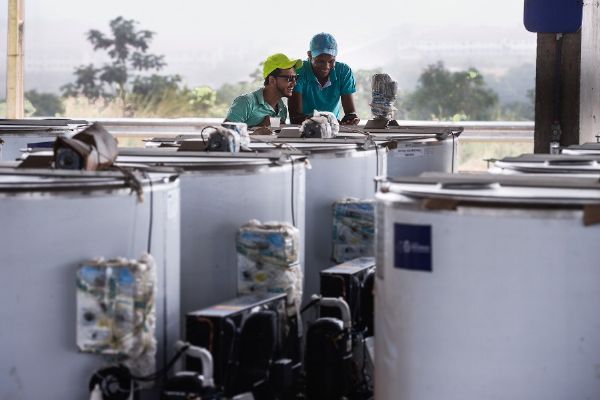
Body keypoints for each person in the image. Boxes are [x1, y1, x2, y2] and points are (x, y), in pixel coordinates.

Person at [289, 33, 360, 125]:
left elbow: (350, 112)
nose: (326, 66)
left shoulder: (343, 71)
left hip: (332, 129)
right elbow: (295, 116)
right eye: (320, 61)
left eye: (331, 61)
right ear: (310, 55)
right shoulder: (300, 70)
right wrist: (326, 121)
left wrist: (351, 118)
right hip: (302, 129)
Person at [225, 53, 303, 128]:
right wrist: (256, 131)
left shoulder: (282, 109)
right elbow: (225, 133)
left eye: (295, 78)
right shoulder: (245, 102)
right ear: (272, 80)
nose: (294, 83)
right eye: (289, 78)